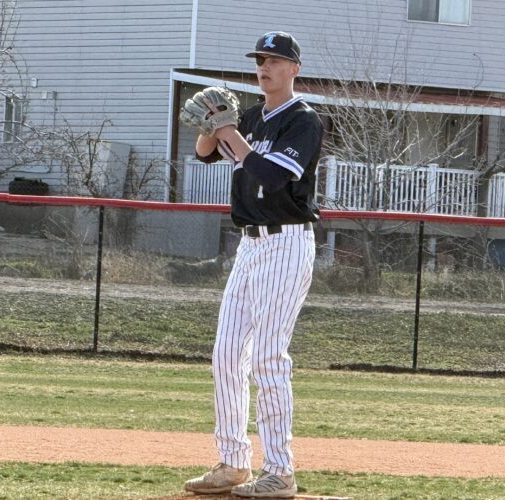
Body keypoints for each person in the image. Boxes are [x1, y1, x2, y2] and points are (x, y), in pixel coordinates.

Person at [184, 31, 324, 498]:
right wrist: (212, 125)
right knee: (226, 354)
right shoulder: (248, 116)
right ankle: (232, 462)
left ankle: (280, 471)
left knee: (267, 357)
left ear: (294, 69)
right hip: (249, 245)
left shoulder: (303, 121)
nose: (265, 67)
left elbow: (273, 175)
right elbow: (204, 153)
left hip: (286, 243)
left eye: (275, 60)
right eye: (261, 60)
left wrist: (229, 132)